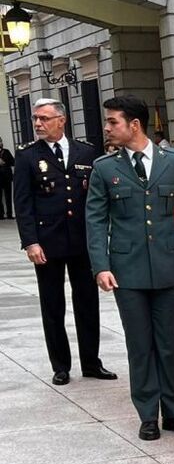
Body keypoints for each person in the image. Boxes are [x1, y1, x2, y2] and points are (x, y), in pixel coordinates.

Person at [85, 95, 174, 441]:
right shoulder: (105, 168)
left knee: (169, 344)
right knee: (140, 345)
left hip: (168, 269)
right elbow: (95, 221)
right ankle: (148, 415)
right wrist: (100, 266)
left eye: (113, 122)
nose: (107, 128)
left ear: (134, 125)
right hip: (126, 271)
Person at [12, 99, 115, 385]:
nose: (37, 124)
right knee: (52, 304)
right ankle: (60, 365)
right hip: (48, 241)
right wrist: (31, 242)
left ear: (62, 120)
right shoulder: (27, 156)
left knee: (87, 302)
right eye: (35, 119)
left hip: (81, 240)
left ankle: (91, 362)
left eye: (44, 118)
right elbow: (22, 203)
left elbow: (95, 197)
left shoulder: (87, 151)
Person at [0, 137, 14, 218]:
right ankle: (1, 214)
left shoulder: (6, 152)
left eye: (1, 141)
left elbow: (13, 162)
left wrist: (5, 162)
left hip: (7, 177)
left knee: (8, 196)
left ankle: (9, 214)